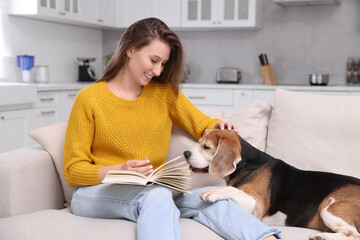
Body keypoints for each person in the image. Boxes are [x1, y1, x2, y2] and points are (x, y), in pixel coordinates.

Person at [64, 17, 281, 240]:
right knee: (156, 196)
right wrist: (119, 169)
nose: (158, 71)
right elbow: (73, 170)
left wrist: (218, 127)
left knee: (213, 198)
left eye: (163, 64)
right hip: (93, 194)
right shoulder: (89, 99)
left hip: (152, 192)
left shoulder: (164, 95)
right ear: (130, 49)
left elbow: (202, 124)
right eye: (154, 60)